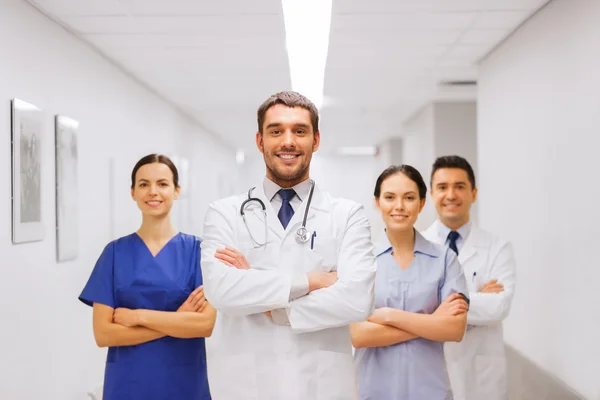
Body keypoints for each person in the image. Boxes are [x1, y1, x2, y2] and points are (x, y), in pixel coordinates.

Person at [200, 91, 377, 399]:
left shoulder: (347, 215)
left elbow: (358, 299)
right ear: (260, 141)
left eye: (300, 131)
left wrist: (276, 307)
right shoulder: (223, 213)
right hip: (245, 384)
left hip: (322, 384)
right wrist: (313, 281)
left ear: (316, 140)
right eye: (276, 131)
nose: (288, 141)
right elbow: (221, 291)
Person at [78, 154, 215, 400]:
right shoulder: (114, 253)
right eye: (143, 184)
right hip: (128, 383)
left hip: (183, 381)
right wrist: (177, 320)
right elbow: (104, 334)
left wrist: (137, 317)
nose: (153, 192)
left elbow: (204, 325)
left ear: (176, 191)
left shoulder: (198, 252)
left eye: (162, 184)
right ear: (133, 192)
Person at [351, 164, 469, 400]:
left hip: (430, 390)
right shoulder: (360, 260)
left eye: (409, 198)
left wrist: (386, 316)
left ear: (422, 203)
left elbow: (454, 329)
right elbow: (358, 335)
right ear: (377, 202)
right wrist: (432, 322)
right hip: (374, 391)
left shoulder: (445, 259)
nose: (399, 206)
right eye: (390, 197)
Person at [423, 155, 517, 400]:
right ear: (432, 193)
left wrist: (437, 305)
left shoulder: (498, 247)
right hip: (429, 367)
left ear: (473, 193)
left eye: (460, 187)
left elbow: (499, 307)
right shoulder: (416, 246)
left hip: (480, 373)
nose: (451, 195)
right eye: (442, 187)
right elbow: (411, 306)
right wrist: (476, 300)